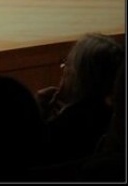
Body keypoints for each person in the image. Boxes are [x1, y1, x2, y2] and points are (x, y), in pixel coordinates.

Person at [37, 33, 125, 167]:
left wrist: (36, 114)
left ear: (77, 77)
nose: (63, 71)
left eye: (66, 65)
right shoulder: (114, 120)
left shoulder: (62, 129)